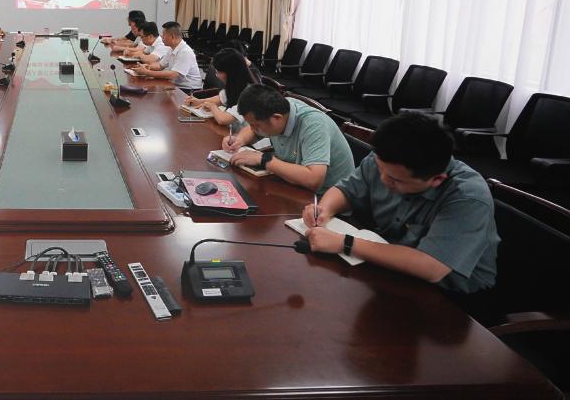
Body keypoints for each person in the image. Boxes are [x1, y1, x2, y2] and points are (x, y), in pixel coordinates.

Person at [303, 112, 499, 293]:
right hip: (389, 265)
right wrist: (324, 209)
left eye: (394, 180)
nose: (383, 179)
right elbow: (347, 190)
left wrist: (344, 243)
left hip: (450, 296)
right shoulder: (387, 160)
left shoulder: (467, 197)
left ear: (436, 179)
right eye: (380, 170)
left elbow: (431, 267)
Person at [223, 84, 355, 194]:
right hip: (294, 186)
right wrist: (238, 140)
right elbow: (253, 131)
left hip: (325, 200)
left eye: (255, 125)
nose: (252, 129)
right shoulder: (279, 109)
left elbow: (313, 180)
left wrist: (264, 160)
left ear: (277, 118)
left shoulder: (314, 125)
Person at [183, 48, 260, 126]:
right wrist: (199, 101)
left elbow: (223, 119)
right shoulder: (236, 85)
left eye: (219, 72)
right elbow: (221, 99)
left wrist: (212, 107)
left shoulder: (249, 94)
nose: (217, 75)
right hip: (232, 130)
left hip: (242, 131)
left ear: (231, 73)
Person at [133, 21, 203, 90]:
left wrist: (147, 72)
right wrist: (148, 67)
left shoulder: (185, 51)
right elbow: (160, 65)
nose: (161, 37)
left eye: (164, 35)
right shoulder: (172, 48)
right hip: (176, 86)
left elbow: (173, 75)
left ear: (172, 36)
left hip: (188, 90)